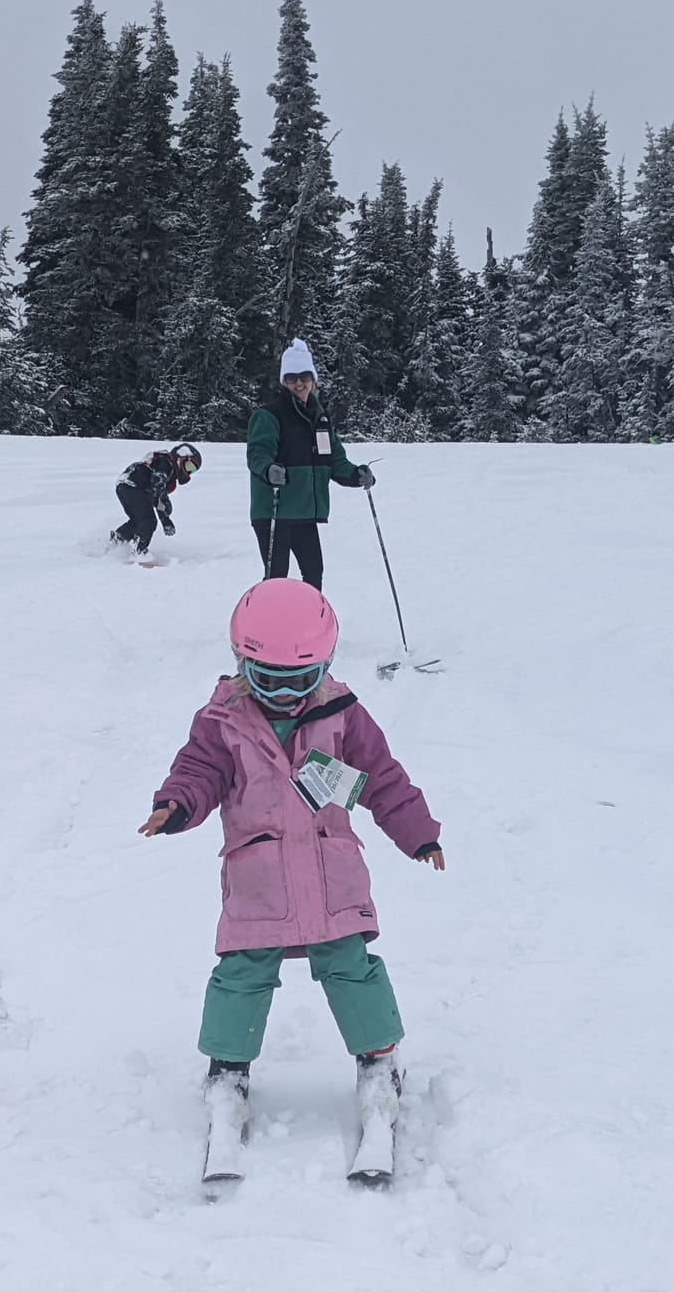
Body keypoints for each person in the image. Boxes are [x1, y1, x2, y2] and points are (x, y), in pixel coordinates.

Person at [141, 579, 444, 1178]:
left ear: (324, 668)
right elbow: (197, 773)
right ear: (240, 663)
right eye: (269, 679)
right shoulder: (221, 721)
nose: (284, 694)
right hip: (260, 880)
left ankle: (379, 1060)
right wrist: (176, 805)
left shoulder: (343, 716)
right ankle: (228, 1072)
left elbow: (381, 778)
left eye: (299, 681)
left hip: (333, 876)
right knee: (241, 974)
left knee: (350, 966)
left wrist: (418, 832)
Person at [247, 338, 372, 587]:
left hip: (304, 514)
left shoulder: (320, 418)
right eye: (292, 377)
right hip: (274, 511)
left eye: (305, 376)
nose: (299, 383)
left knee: (314, 575)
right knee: (276, 577)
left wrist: (357, 475)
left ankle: (309, 625)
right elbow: (257, 454)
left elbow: (335, 461)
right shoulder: (269, 415)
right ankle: (268, 625)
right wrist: (268, 469)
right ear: (284, 381)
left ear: (313, 379)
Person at [109, 443, 202, 557]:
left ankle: (116, 542)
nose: (188, 472)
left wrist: (165, 516)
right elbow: (157, 486)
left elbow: (157, 495)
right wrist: (164, 518)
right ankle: (139, 552)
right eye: (189, 466)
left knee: (138, 520)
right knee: (148, 521)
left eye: (192, 470)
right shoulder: (165, 463)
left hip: (125, 486)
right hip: (133, 486)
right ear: (181, 457)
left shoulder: (167, 467)